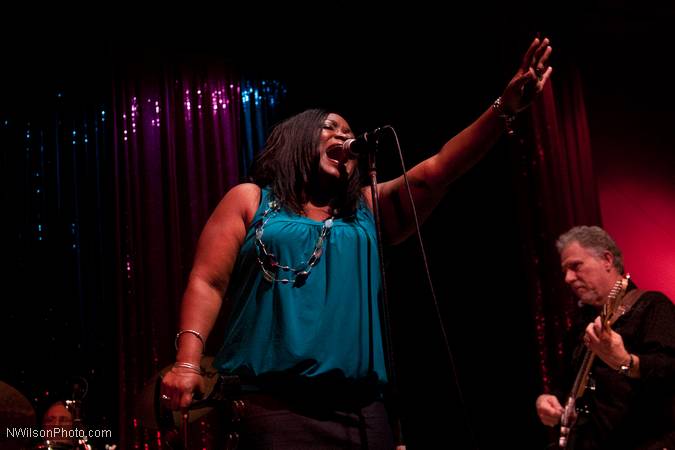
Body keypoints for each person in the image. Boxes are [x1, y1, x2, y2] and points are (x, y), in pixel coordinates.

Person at [161, 37, 553, 449]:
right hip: (272, 408)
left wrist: (502, 110)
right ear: (296, 141)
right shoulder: (252, 200)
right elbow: (208, 281)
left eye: (349, 131)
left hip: (363, 415)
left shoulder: (366, 209)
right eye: (330, 127)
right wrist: (187, 363)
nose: (345, 136)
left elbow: (437, 170)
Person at [536, 225, 675, 449]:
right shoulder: (581, 323)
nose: (568, 278)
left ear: (607, 260)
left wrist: (625, 363)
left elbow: (670, 368)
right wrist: (548, 400)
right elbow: (565, 383)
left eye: (575, 266)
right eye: (564, 271)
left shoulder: (652, 306)